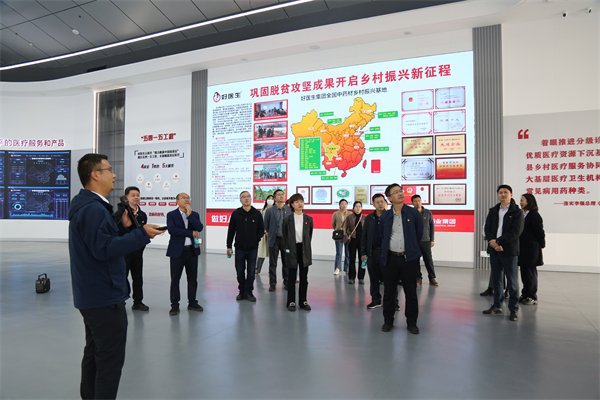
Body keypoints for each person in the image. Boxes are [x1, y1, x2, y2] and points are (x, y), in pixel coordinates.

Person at [69, 153, 162, 400]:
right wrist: (141, 234)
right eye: (109, 169)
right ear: (95, 175)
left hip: (93, 294)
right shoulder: (93, 209)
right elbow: (103, 249)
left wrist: (121, 227)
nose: (114, 174)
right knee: (109, 361)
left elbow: (100, 241)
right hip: (104, 296)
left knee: (95, 354)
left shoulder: (90, 206)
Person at [379, 183, 423, 334]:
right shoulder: (385, 216)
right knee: (389, 292)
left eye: (401, 191)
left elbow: (418, 234)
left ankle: (412, 322)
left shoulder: (413, 213)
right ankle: (388, 321)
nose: (400, 193)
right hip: (391, 259)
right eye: (396, 192)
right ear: (389, 198)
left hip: (408, 259)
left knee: (411, 292)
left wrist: (411, 250)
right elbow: (383, 236)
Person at [483, 184, 524, 322]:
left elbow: (516, 231)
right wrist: (493, 243)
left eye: (506, 192)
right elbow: (487, 228)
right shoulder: (493, 210)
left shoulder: (517, 212)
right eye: (500, 192)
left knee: (512, 281)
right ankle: (497, 305)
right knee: (497, 279)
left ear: (511, 195)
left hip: (509, 250)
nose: (503, 194)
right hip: (494, 250)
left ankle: (513, 309)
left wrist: (499, 241)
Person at [166, 193, 204, 316]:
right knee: (175, 279)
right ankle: (174, 305)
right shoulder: (171, 214)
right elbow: (172, 230)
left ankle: (192, 302)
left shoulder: (194, 214)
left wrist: (190, 215)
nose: (187, 200)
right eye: (184, 198)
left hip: (192, 251)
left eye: (188, 198)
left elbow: (199, 228)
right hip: (177, 251)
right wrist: (190, 233)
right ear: (177, 201)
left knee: (192, 279)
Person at [361, 193, 398, 309]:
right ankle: (376, 300)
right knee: (374, 279)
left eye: (382, 201)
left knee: (390, 279)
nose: (380, 204)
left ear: (385, 202)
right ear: (373, 204)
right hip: (372, 253)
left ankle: (393, 302)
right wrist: (363, 253)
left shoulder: (391, 216)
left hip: (387, 253)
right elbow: (364, 236)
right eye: (377, 202)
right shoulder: (369, 218)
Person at [227, 191, 264, 302]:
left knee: (251, 272)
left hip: (253, 248)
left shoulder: (257, 214)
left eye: (248, 196)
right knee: (240, 272)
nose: (246, 198)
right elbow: (231, 231)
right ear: (240, 200)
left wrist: (256, 239)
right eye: (243, 197)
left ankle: (249, 292)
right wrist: (229, 246)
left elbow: (261, 229)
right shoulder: (236, 214)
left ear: (251, 198)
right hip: (239, 248)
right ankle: (241, 291)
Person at [282, 193, 314, 311]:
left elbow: (309, 235)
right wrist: (288, 249)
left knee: (304, 277)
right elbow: (285, 236)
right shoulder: (287, 219)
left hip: (304, 250)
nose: (300, 204)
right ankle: (291, 301)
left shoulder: (309, 219)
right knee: (291, 277)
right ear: (291, 204)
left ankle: (303, 301)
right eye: (297, 202)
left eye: (301, 201)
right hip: (292, 249)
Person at [121, 186, 150, 311]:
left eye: (138, 195)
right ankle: (120, 302)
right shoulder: (121, 214)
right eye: (133, 195)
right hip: (124, 253)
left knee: (138, 278)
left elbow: (142, 233)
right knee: (122, 278)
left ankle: (138, 302)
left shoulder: (142, 215)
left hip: (138, 253)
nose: (136, 197)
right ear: (126, 197)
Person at [518, 193, 545, 305]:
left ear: (529, 202)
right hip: (523, 249)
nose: (520, 202)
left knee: (530, 274)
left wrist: (542, 245)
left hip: (531, 249)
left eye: (522, 200)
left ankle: (532, 296)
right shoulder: (524, 215)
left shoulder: (534, 215)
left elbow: (540, 232)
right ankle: (525, 294)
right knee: (524, 273)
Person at [263, 189, 291, 291]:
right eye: (279, 195)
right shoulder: (270, 211)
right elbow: (266, 225)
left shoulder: (289, 210)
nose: (281, 196)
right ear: (275, 198)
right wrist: (270, 232)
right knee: (273, 264)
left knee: (286, 262)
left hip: (285, 240)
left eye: (282, 194)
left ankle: (287, 282)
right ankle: (272, 284)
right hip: (274, 239)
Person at [411, 194, 439, 286]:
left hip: (426, 240)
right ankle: (418, 278)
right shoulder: (411, 213)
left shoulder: (427, 212)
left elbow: (432, 226)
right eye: (415, 201)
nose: (417, 203)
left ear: (421, 201)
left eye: (419, 200)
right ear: (412, 203)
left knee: (428, 260)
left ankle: (432, 278)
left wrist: (432, 239)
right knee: (415, 261)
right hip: (414, 241)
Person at [345, 201, 365, 284]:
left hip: (362, 242)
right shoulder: (349, 217)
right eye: (356, 206)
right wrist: (349, 234)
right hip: (352, 240)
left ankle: (361, 277)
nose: (358, 208)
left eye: (359, 206)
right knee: (352, 259)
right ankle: (351, 277)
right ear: (353, 208)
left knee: (362, 260)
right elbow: (346, 228)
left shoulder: (365, 218)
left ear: (361, 208)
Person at [331, 199, 351, 275]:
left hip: (347, 235)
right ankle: (337, 268)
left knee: (348, 253)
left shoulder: (350, 213)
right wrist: (338, 229)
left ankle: (347, 268)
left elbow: (352, 224)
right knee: (339, 253)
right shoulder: (336, 213)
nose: (344, 205)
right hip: (339, 235)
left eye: (345, 204)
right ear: (339, 205)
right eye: (342, 204)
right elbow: (333, 224)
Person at [256, 195, 274, 274]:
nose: (270, 200)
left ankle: (271, 271)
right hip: (264, 234)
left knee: (272, 254)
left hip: (273, 234)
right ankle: (257, 269)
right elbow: (260, 223)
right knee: (262, 252)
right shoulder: (262, 211)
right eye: (269, 199)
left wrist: (270, 231)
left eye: (272, 199)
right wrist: (265, 231)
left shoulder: (275, 210)